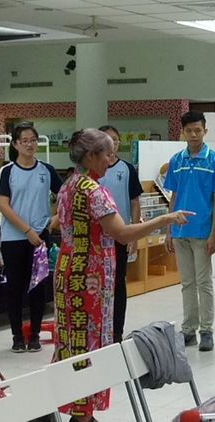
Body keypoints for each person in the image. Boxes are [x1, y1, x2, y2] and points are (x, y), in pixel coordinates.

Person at [53, 129, 193, 422]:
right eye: (106, 154)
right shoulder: (93, 191)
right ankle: (83, 414)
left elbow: (58, 224)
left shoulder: (68, 186)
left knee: (73, 343)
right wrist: (166, 218)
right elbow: (121, 232)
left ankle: (79, 411)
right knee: (90, 346)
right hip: (90, 279)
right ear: (91, 157)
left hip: (68, 274)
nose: (110, 159)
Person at [0, 122, 63, 353]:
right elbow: (3, 205)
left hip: (40, 237)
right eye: (24, 140)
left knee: (38, 286)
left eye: (33, 140)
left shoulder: (47, 170)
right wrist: (27, 231)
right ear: (15, 144)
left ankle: (34, 334)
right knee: (15, 287)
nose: (29, 145)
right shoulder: (7, 171)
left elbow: (65, 196)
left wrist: (53, 221)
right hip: (14, 238)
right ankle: (17, 335)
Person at [164, 111, 215, 352]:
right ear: (183, 132)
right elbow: (174, 196)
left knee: (204, 282)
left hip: (202, 231)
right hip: (180, 231)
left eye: (198, 130)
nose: (193, 134)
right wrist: (169, 229)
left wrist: (214, 234)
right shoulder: (176, 161)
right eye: (189, 130)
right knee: (187, 283)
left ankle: (206, 330)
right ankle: (188, 329)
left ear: (205, 131)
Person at [95, 126, 143, 343]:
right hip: (95, 240)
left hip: (119, 236)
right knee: (96, 284)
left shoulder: (127, 169)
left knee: (117, 284)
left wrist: (133, 234)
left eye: (115, 140)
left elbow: (134, 202)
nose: (112, 144)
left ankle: (116, 332)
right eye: (107, 140)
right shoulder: (90, 172)